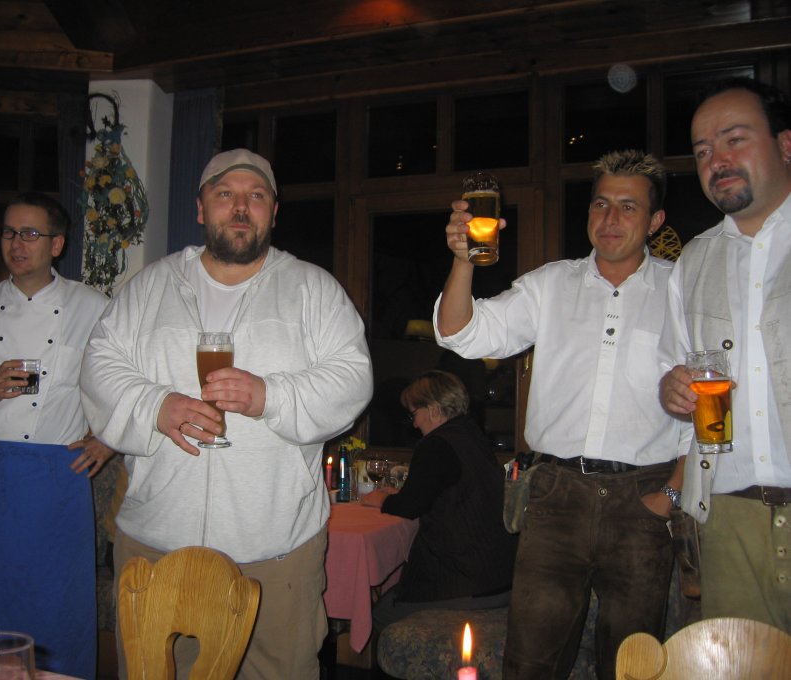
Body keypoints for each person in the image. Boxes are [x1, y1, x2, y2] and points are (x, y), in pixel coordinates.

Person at [79, 148, 373, 679]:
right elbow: (98, 365)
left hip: (276, 553)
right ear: (200, 208)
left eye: (255, 196)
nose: (240, 207)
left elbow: (353, 380)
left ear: (273, 212)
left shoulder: (313, 289)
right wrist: (155, 405)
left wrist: (270, 396)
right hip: (157, 543)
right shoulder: (149, 286)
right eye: (225, 194)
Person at [435, 149, 684, 680]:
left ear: (655, 221)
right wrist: (463, 259)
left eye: (628, 207)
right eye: (600, 204)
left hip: (643, 499)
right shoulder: (551, 284)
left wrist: (671, 496)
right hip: (555, 495)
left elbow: (708, 394)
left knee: (632, 665)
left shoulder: (681, 290)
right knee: (531, 661)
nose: (610, 218)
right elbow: (461, 333)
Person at [0, 192, 115, 679]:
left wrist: (108, 440)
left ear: (57, 244)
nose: (17, 243)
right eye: (10, 232)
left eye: (30, 233)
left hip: (57, 474)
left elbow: (128, 381)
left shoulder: (93, 307)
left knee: (57, 601)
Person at [658, 77, 791, 633]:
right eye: (703, 151)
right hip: (729, 515)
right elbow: (673, 366)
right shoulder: (693, 261)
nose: (717, 161)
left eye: (734, 139)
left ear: (786, 144)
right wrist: (670, 388)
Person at [363, 370, 517, 632]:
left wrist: (380, 499)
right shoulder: (471, 436)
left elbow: (409, 506)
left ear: (433, 410)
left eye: (414, 414)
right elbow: (436, 493)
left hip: (465, 584)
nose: (414, 424)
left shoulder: (436, 445)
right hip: (500, 577)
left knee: (377, 617)